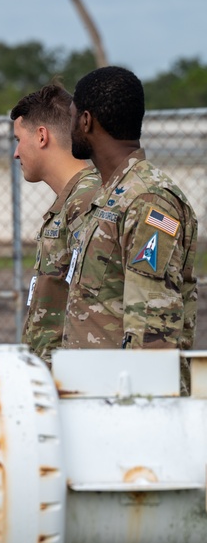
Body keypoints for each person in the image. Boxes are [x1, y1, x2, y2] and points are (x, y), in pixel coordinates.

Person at [63, 66, 198, 390]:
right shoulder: (111, 196)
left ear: (86, 120)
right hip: (95, 397)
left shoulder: (147, 201)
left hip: (126, 404)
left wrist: (138, 419)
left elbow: (153, 327)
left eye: (72, 117)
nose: (69, 127)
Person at [10, 83, 101, 367]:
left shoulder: (88, 201)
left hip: (76, 378)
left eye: (18, 140)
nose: (15, 153)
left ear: (41, 136)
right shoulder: (73, 200)